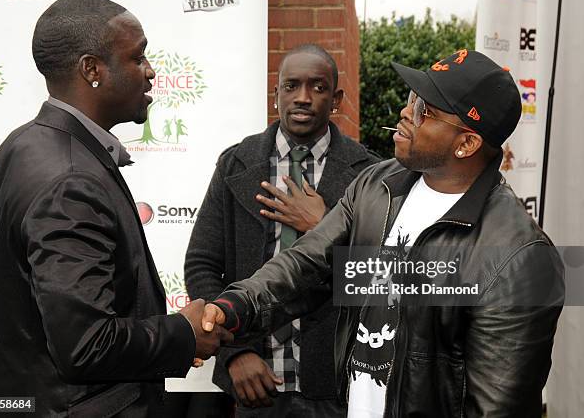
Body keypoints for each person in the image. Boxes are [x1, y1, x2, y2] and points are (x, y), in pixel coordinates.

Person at [200, 50, 564, 417]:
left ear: (466, 144)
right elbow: (307, 265)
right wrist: (235, 307)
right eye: (412, 99)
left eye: (425, 110)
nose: (406, 113)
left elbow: (496, 407)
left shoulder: (519, 257)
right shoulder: (378, 185)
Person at [0, 0, 230, 416]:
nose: (151, 72)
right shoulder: (71, 179)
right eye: (138, 57)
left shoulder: (20, 146)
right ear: (92, 70)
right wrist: (183, 333)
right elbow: (85, 345)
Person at [185, 44, 380, 416]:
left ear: (336, 98)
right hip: (255, 383)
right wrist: (233, 352)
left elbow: (378, 282)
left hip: (335, 386)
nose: (303, 98)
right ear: (275, 94)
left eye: (318, 87)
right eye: (291, 86)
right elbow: (202, 264)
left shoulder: (368, 175)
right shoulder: (237, 164)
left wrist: (323, 228)